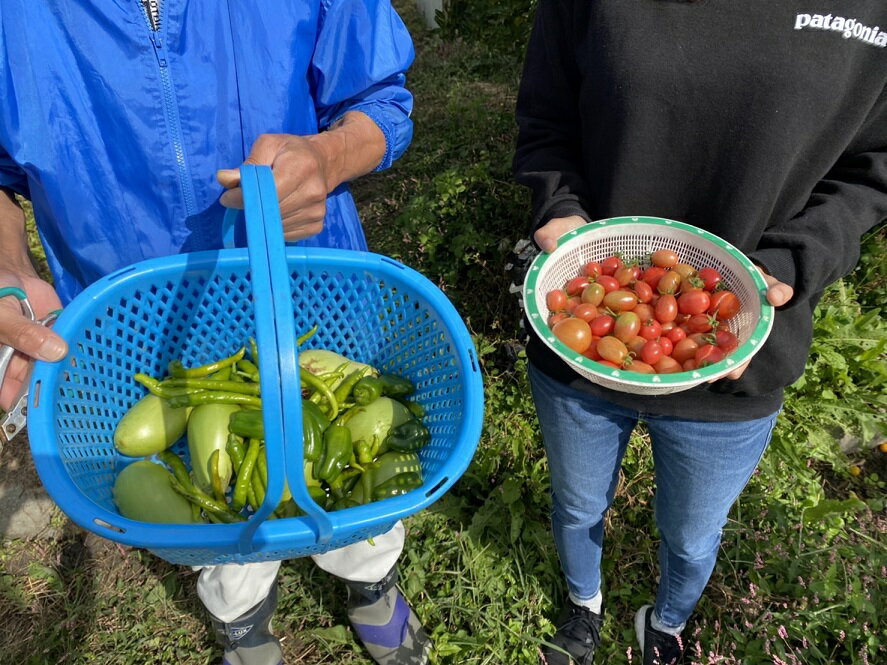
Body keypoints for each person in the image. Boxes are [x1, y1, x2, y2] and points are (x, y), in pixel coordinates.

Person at [0, 2, 430, 664]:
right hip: (148, 333)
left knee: (352, 476)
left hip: (310, 307)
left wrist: (329, 154)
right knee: (214, 498)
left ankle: (371, 583)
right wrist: (8, 263)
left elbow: (380, 100)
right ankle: (243, 620)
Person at [512, 2, 886, 664]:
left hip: (737, 347)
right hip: (580, 352)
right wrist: (558, 206)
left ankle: (668, 619)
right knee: (575, 505)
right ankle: (583, 603)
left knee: (690, 534)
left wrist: (788, 263)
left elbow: (872, 170)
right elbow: (546, 117)